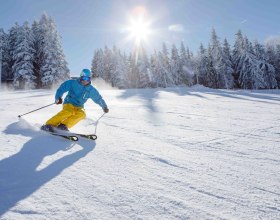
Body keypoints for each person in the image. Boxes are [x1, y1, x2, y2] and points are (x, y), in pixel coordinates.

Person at [41, 69, 109, 132]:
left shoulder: (91, 90)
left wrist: (104, 106)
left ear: (89, 79)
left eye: (87, 79)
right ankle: (49, 124)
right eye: (83, 78)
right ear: (80, 77)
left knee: (82, 114)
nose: (85, 81)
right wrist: (58, 98)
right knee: (68, 111)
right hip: (69, 103)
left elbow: (98, 98)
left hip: (79, 106)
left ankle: (63, 126)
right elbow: (62, 88)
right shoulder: (73, 83)